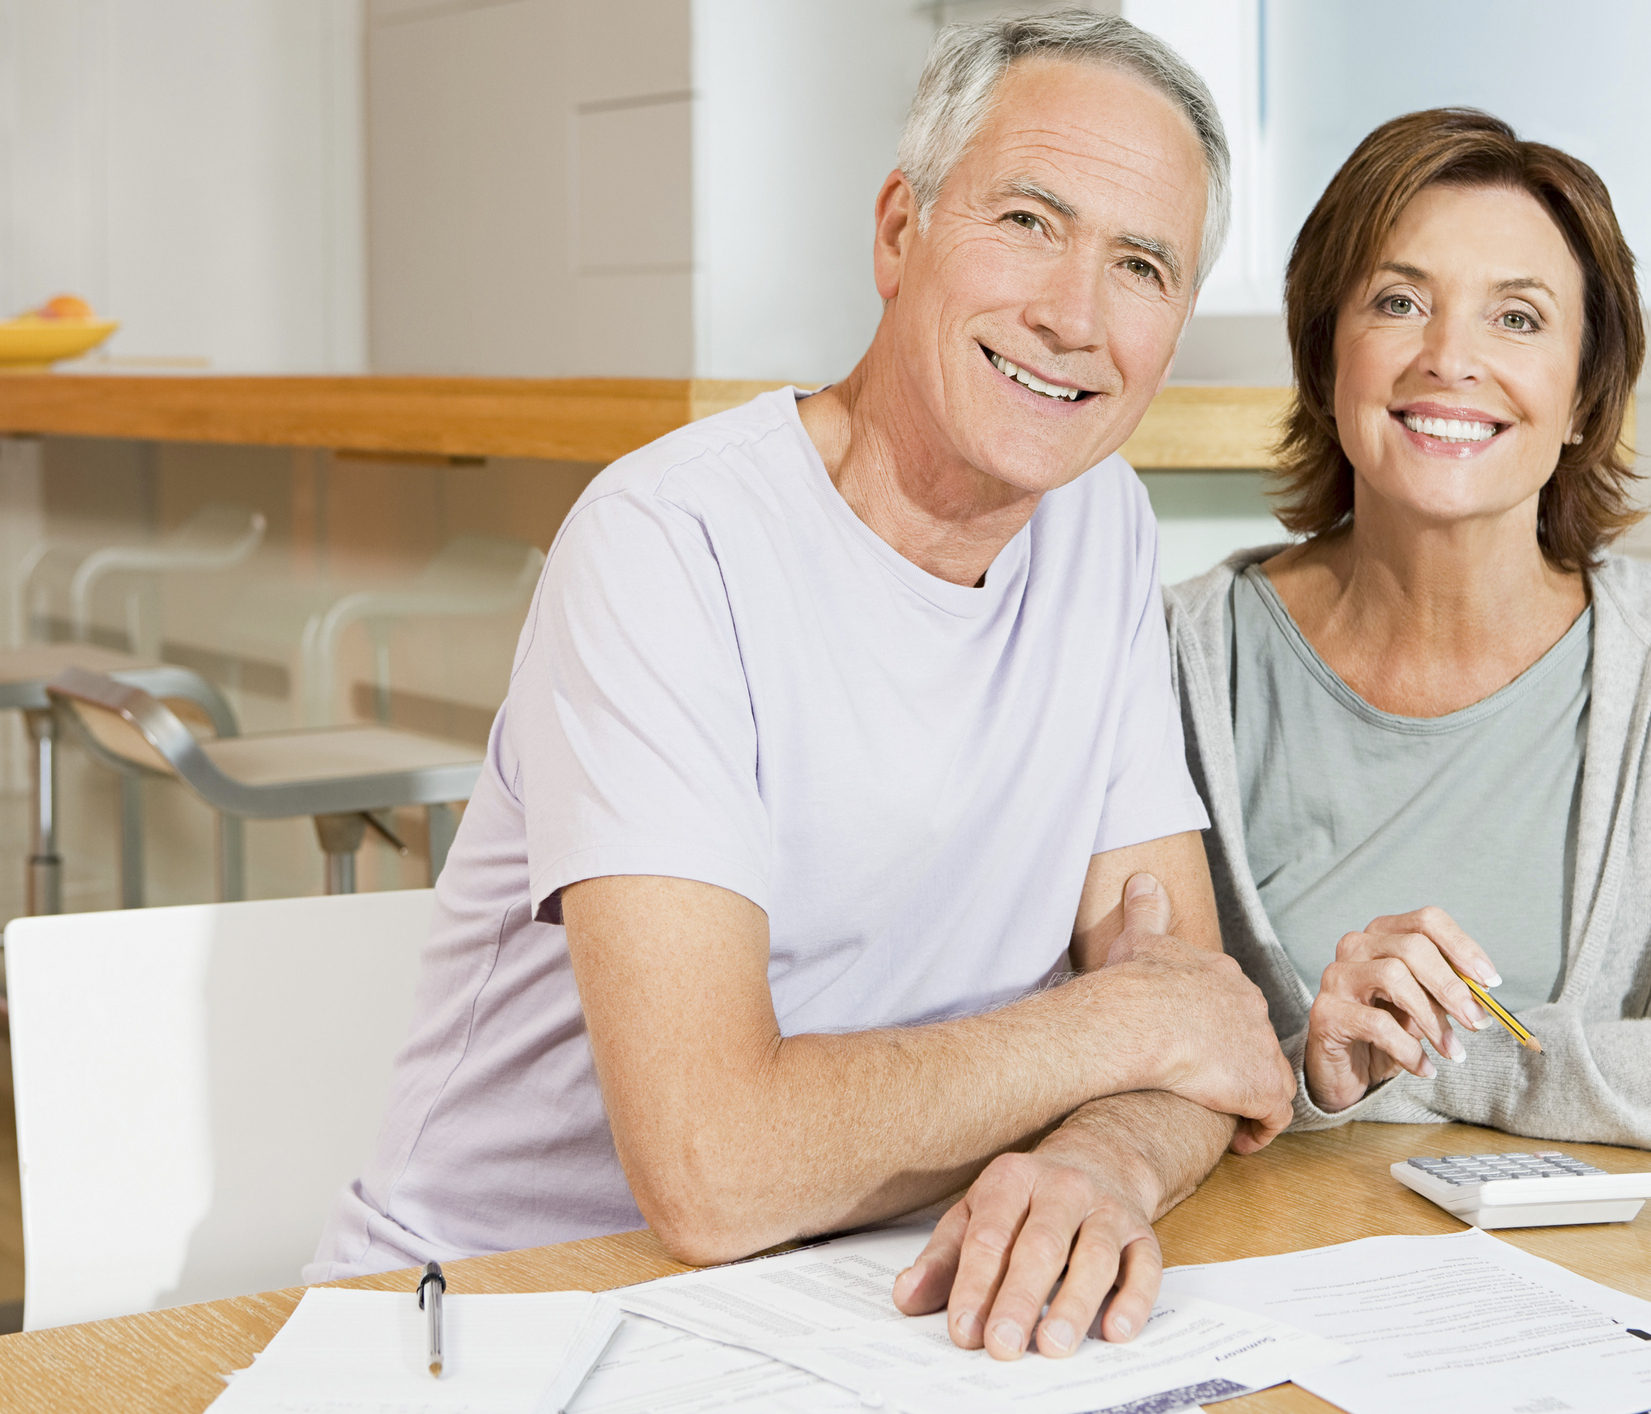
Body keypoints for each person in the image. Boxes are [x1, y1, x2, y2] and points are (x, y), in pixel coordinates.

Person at [309, 12, 1298, 1364]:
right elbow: (716, 1169)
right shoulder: (671, 543)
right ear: (900, 231)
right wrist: (1116, 1026)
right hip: (494, 1324)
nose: (1074, 313)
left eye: (1140, 263)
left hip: (871, 1308)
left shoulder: (1100, 525)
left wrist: (1112, 1156)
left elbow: (1207, 1032)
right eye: (1026, 220)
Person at [1165, 109, 1651, 1164]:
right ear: (1328, 355)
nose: (1450, 359)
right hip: (1241, 1286)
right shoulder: (1177, 660)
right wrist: (1311, 1062)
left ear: (1584, 396)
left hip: (1565, 1295)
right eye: (1399, 300)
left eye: (1518, 318)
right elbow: (1105, 1035)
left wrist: (1452, 1055)